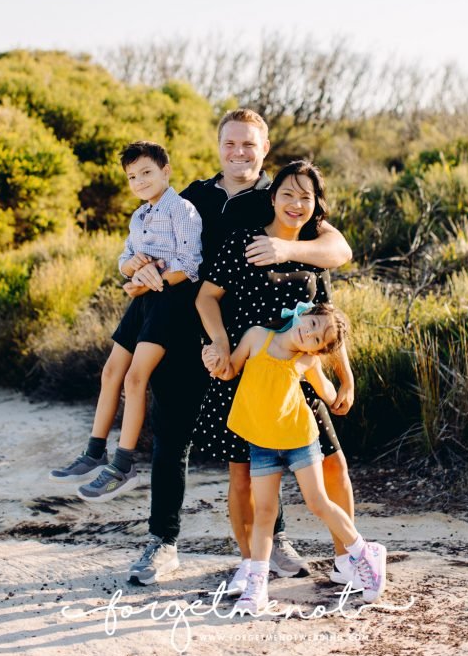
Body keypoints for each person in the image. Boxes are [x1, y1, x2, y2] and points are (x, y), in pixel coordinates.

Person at [115, 109, 353, 586]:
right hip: (188, 333)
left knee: (261, 440)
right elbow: (154, 242)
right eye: (231, 143)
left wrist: (289, 250)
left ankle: (273, 542)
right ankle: (163, 542)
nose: (239, 152)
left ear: (264, 149)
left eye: (250, 144)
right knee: (171, 435)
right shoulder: (193, 197)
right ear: (218, 146)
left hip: (259, 346)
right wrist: (135, 269)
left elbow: (338, 250)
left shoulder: (278, 197)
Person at [195, 158, 360, 595]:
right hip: (245, 374)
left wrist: (346, 378)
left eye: (305, 197)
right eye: (287, 193)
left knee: (332, 464)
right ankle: (251, 567)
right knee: (242, 475)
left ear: (315, 205)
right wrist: (220, 344)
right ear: (272, 196)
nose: (295, 203)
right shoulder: (241, 243)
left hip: (300, 381)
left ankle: (348, 559)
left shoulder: (315, 249)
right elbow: (206, 298)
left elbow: (329, 324)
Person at [208, 302, 386, 615]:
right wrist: (213, 360)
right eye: (313, 324)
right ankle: (257, 587)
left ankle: (364, 552)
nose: (310, 334)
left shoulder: (307, 360)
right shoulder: (257, 337)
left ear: (319, 350)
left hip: (299, 440)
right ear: (303, 314)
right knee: (264, 512)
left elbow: (327, 392)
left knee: (318, 502)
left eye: (318, 339)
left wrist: (340, 398)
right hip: (262, 442)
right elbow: (229, 371)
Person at [48, 141, 202, 501]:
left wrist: (153, 279)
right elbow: (127, 255)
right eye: (132, 176)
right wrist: (131, 269)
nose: (140, 181)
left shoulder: (183, 210)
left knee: (136, 378)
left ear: (166, 171)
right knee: (110, 372)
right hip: (143, 301)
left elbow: (191, 264)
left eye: (147, 172)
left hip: (171, 302)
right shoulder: (140, 215)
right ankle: (94, 452)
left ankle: (123, 465)